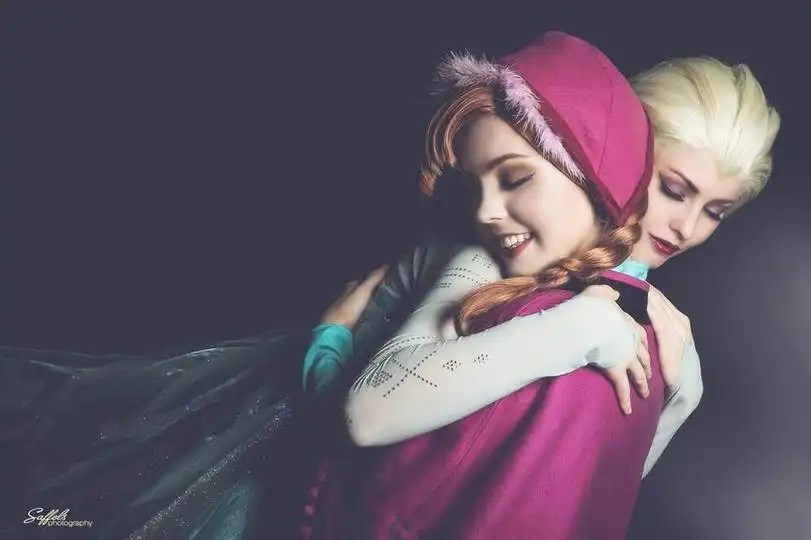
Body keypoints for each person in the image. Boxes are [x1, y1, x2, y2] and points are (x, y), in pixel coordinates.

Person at [297, 31, 780, 540]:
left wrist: (680, 398)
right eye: (673, 189)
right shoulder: (498, 252)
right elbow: (364, 420)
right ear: (621, 151)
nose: (685, 227)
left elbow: (589, 482)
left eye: (715, 212)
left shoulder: (649, 316)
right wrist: (329, 344)